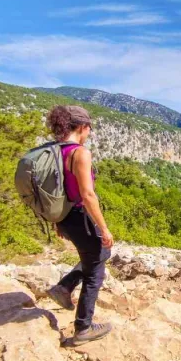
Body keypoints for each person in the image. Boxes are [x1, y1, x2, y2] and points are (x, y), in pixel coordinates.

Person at [45, 105, 114, 346]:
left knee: (99, 253)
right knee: (96, 266)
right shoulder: (79, 153)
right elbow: (87, 195)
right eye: (89, 129)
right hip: (77, 216)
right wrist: (103, 228)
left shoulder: (53, 151)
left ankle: (64, 287)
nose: (89, 134)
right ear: (82, 127)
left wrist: (56, 220)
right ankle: (83, 327)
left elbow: (54, 190)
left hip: (63, 218)